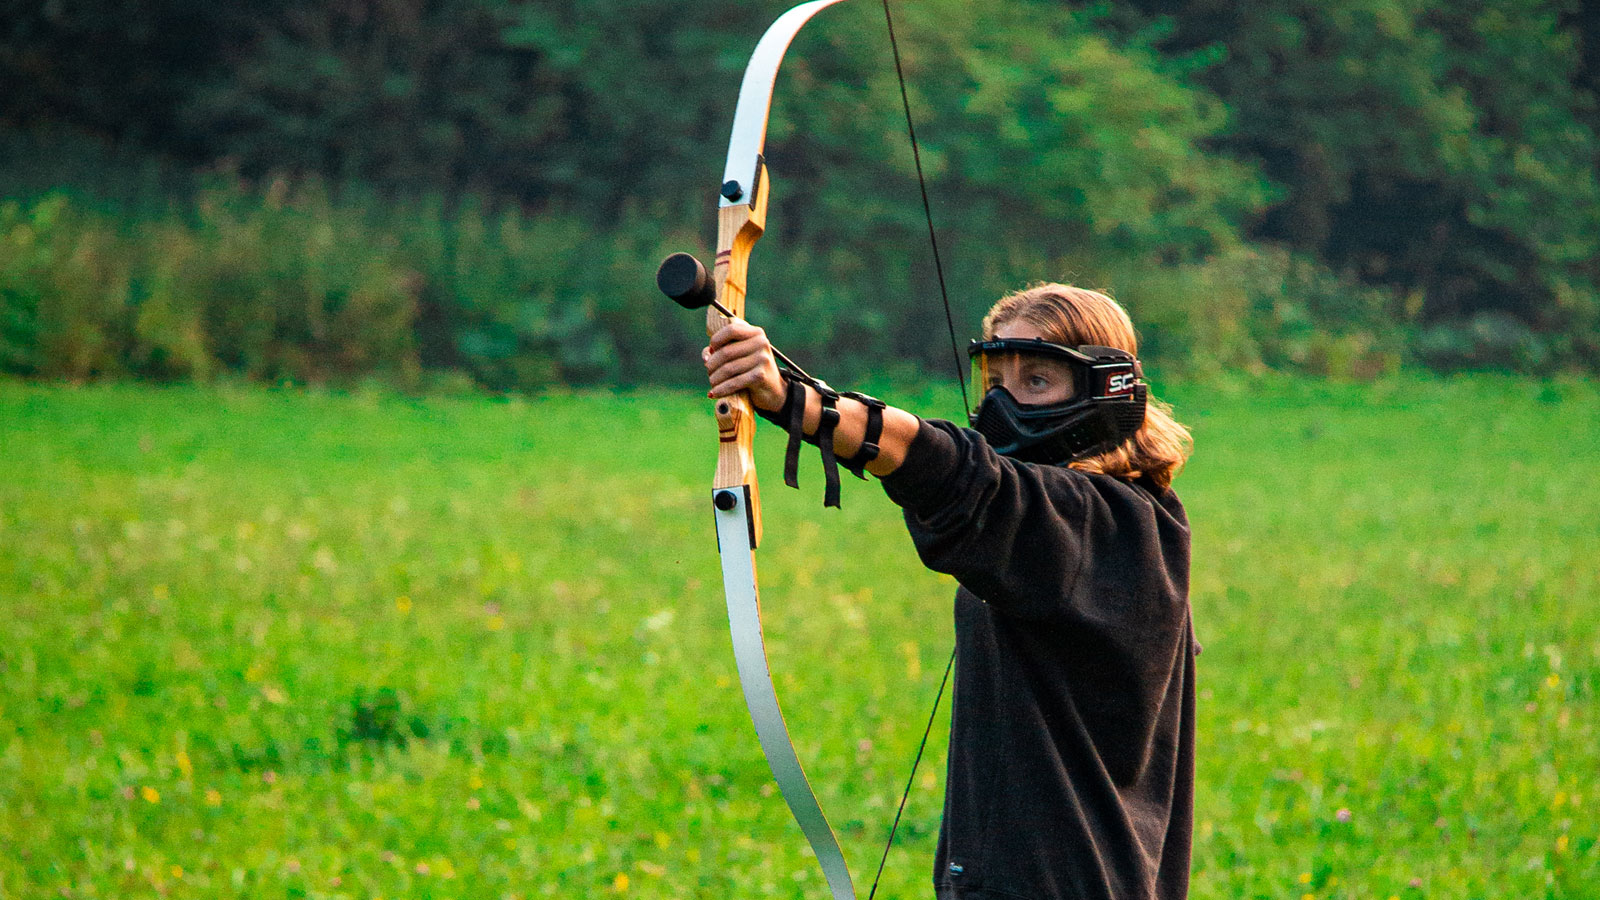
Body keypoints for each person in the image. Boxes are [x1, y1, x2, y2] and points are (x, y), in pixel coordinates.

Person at [702, 282, 1198, 900]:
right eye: (995, 382)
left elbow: (962, 475)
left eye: (1037, 380)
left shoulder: (1110, 527)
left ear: (1105, 389)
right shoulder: (1120, 527)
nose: (1004, 405)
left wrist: (796, 401)